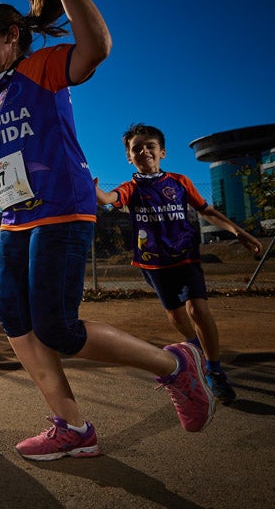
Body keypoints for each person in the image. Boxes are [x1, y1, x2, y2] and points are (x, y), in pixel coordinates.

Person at [0, 0, 214, 460]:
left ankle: (177, 365)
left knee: (58, 328)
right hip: (16, 218)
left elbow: (98, 47)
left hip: (61, 209)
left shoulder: (40, 69)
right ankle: (73, 428)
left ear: (12, 34)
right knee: (13, 317)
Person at [95, 123, 263, 403]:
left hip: (185, 257)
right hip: (153, 264)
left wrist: (239, 232)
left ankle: (215, 370)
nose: (144, 151)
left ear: (162, 152)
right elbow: (109, 198)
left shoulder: (180, 182)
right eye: (137, 148)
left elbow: (206, 210)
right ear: (129, 157)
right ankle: (196, 348)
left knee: (198, 310)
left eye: (150, 146)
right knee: (176, 316)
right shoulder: (131, 188)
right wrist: (96, 193)